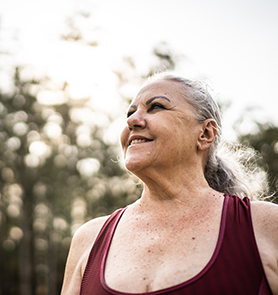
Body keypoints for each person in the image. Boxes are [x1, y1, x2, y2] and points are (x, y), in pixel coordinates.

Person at [60, 73, 278, 295]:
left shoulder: (265, 226)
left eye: (156, 107)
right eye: (130, 112)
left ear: (205, 133)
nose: (132, 120)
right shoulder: (89, 239)